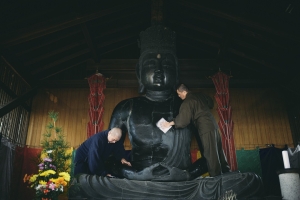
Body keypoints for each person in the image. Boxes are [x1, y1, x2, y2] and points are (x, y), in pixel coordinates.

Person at [162, 83, 230, 177]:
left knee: (210, 154)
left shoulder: (187, 102)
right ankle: (227, 173)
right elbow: (211, 103)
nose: (179, 96)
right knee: (218, 150)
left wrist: (169, 123)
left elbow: (182, 121)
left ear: (184, 92)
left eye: (179, 94)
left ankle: (216, 178)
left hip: (204, 128)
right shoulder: (200, 95)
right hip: (213, 125)